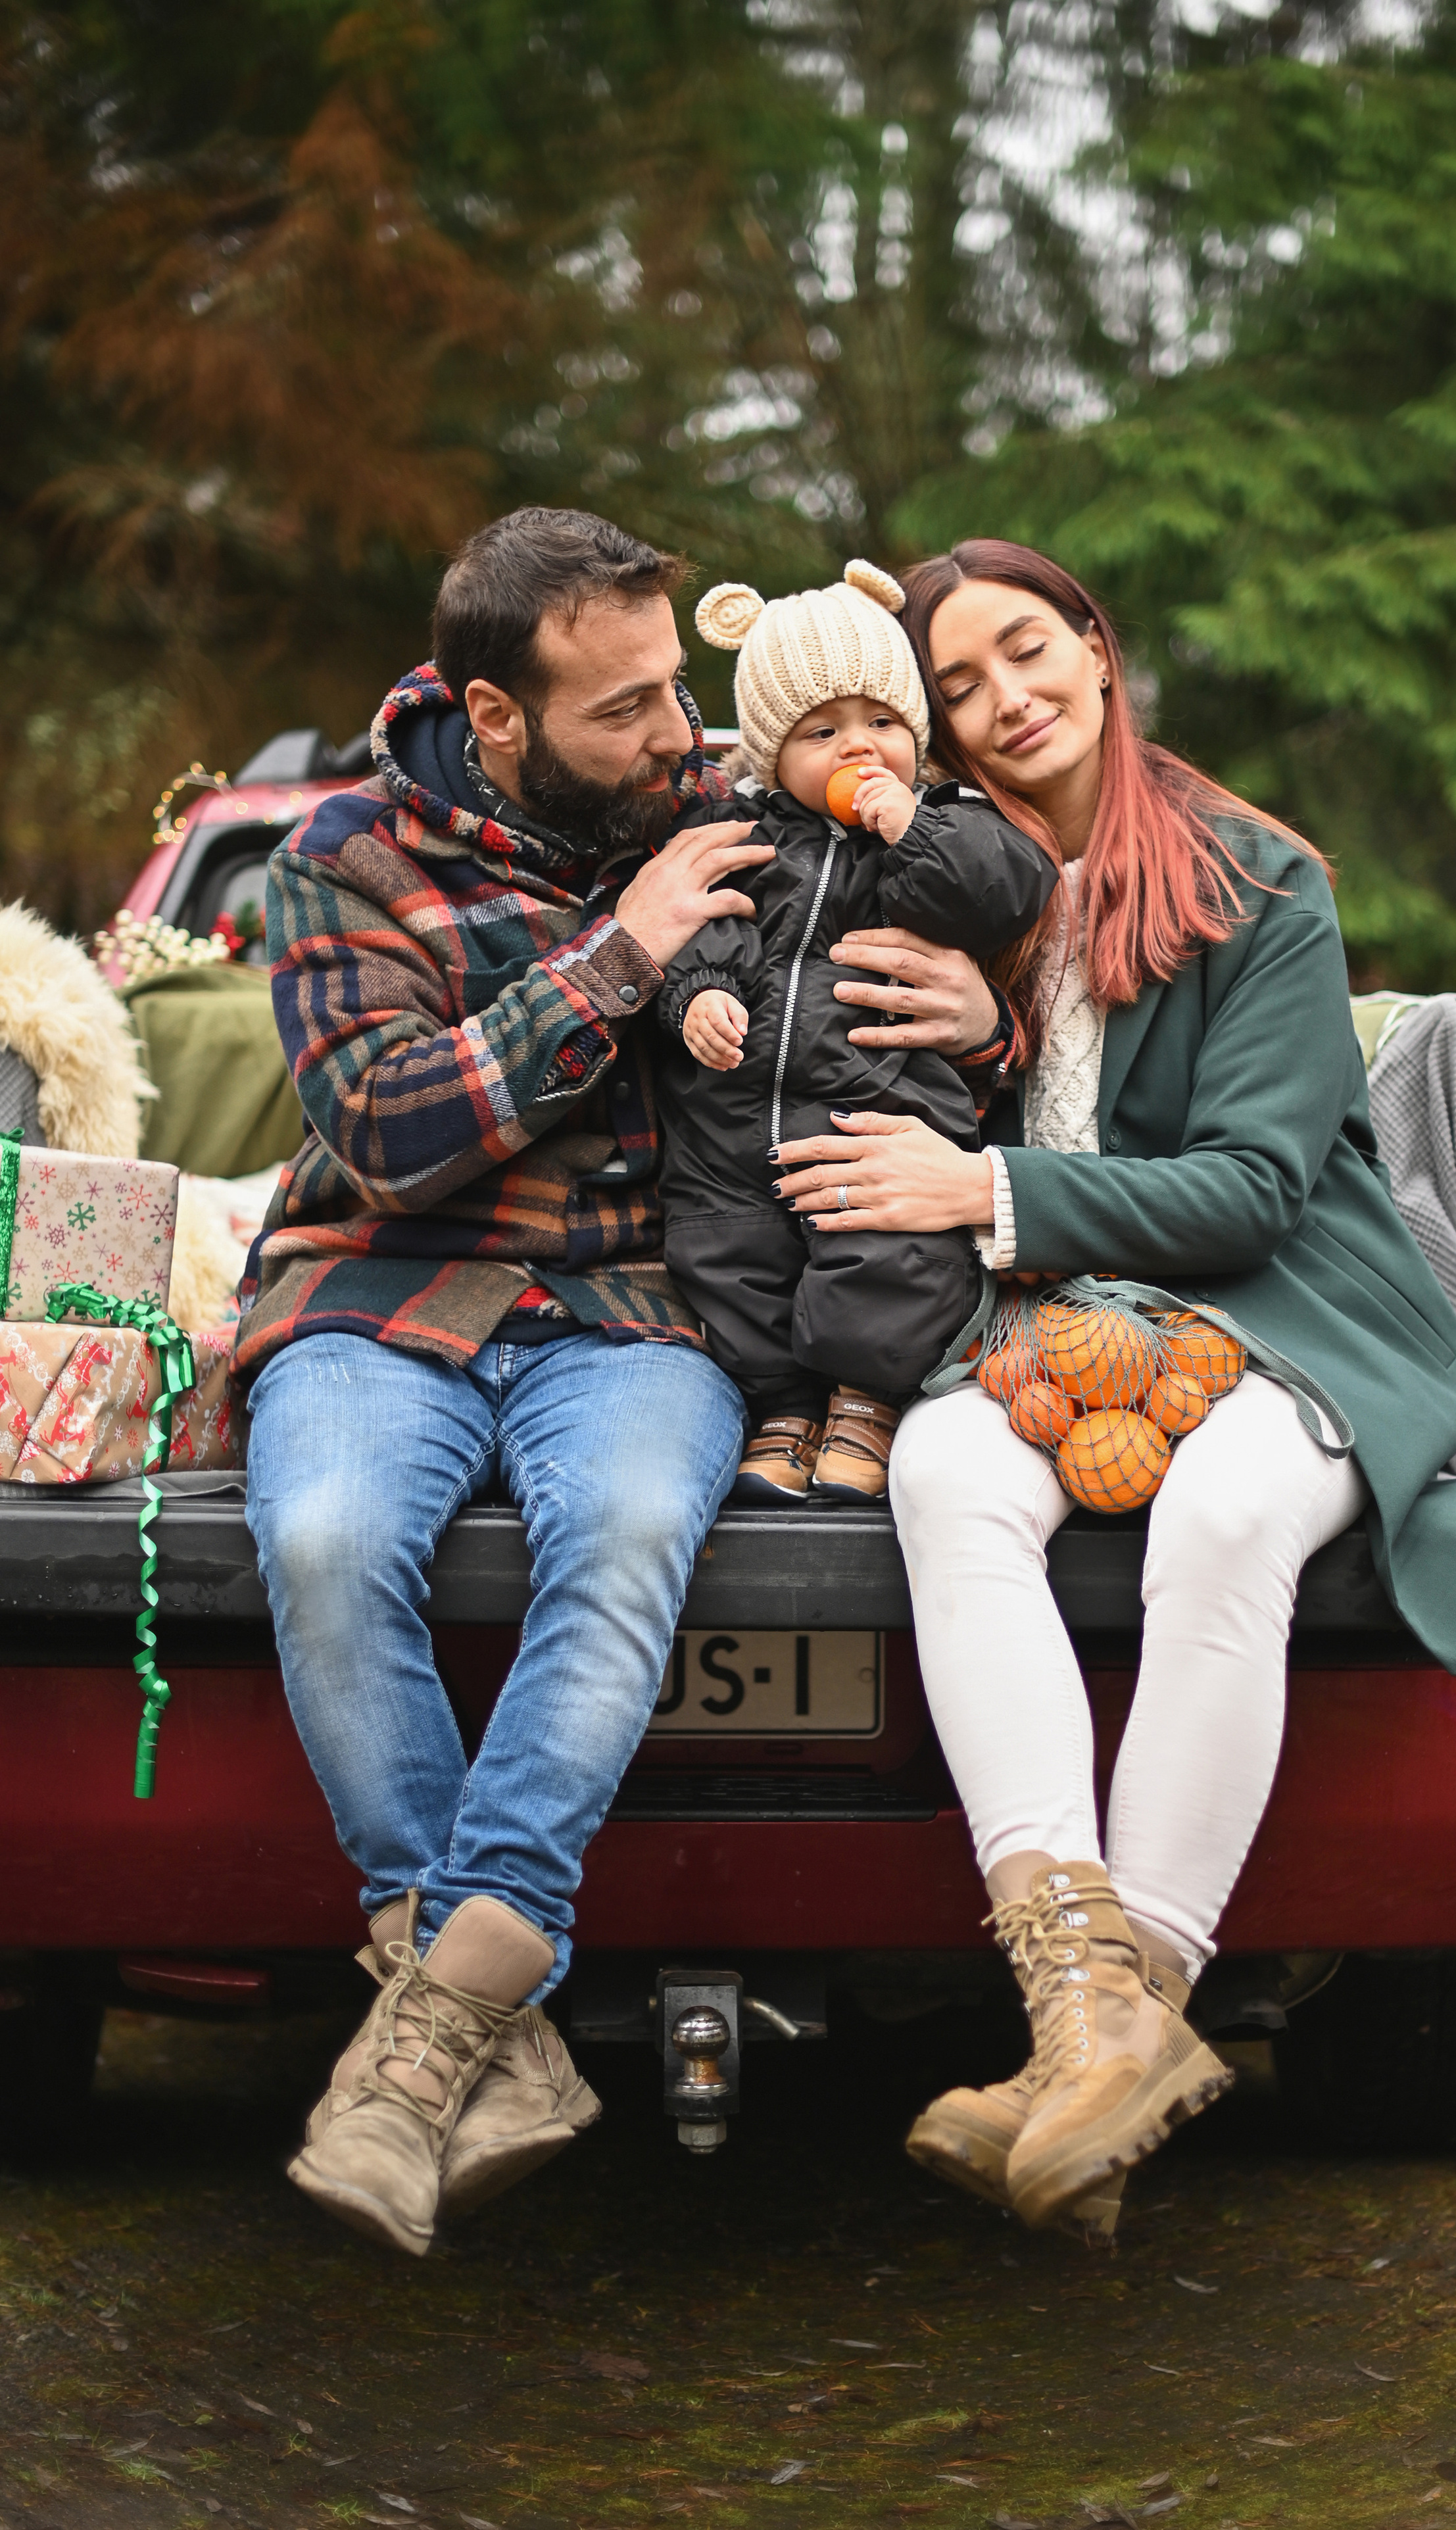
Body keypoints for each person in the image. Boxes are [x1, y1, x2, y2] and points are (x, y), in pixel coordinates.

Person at [767, 537, 1456, 2242]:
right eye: (957, 684)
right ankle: (1081, 2019)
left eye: (1027, 650)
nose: (1003, 700)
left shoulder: (1255, 882)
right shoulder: (946, 888)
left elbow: (1258, 1190)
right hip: (1063, 1330)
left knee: (1230, 1512)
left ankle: (1141, 2010)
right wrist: (980, 1037)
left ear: (1099, 650)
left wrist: (980, 1190)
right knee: (944, 1478)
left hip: (1294, 1310)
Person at [235, 507, 775, 2258]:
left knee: (621, 1529)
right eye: (624, 709)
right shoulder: (341, 855)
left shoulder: (722, 808)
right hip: (382, 1282)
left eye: (674, 686)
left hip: (638, 1306)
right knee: (322, 1536)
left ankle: (434, 2024)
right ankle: (501, 2035)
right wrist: (620, 956)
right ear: (495, 714)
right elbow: (386, 1135)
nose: (673, 732)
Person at [657, 561, 1057, 1505]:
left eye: (883, 724)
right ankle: (785, 1412)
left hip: (876, 1111)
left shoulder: (947, 827)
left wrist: (909, 827)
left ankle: (866, 1404)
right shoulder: (739, 832)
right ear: (768, 750)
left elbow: (1002, 893)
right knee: (727, 1255)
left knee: (889, 1256)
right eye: (822, 731)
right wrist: (701, 993)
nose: (860, 749)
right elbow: (696, 923)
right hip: (736, 1127)